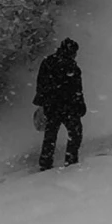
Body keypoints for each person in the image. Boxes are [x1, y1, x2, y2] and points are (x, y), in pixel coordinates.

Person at [34, 37, 86, 169]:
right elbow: (77, 89)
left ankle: (45, 162)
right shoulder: (72, 67)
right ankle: (71, 160)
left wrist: (41, 103)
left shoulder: (47, 62)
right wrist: (80, 105)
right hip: (69, 107)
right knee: (75, 133)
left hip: (51, 106)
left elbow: (41, 84)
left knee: (50, 135)